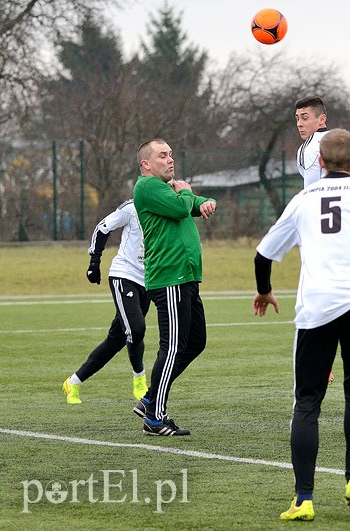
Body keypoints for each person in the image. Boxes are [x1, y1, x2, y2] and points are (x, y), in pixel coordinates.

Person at [253, 129, 350, 521]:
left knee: (307, 401)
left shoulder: (303, 198)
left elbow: (263, 253)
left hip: (317, 306)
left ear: (319, 162)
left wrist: (265, 291)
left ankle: (304, 499)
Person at [131, 138, 217, 436]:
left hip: (186, 277)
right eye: (162, 156)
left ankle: (150, 399)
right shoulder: (147, 186)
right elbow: (182, 207)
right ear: (146, 164)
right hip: (169, 278)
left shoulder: (167, 189)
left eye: (170, 155)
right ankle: (155, 417)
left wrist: (201, 201)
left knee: (195, 342)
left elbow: (188, 203)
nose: (170, 160)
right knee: (172, 348)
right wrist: (189, 195)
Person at [62, 200, 150, 404]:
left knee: (116, 339)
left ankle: (73, 382)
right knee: (135, 330)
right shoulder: (132, 207)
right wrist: (94, 263)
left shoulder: (166, 206)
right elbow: (102, 228)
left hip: (149, 281)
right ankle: (139, 378)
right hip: (124, 275)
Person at [295, 95, 350, 186]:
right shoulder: (349, 140)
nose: (299, 124)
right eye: (297, 119)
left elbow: (311, 190)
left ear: (322, 119)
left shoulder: (310, 147)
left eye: (304, 118)